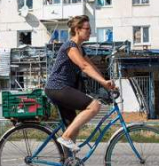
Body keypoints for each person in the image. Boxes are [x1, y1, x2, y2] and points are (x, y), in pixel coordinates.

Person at [45, 15, 115, 151]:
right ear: (77, 29)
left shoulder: (80, 48)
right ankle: (65, 138)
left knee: (73, 128)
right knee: (94, 106)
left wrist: (105, 82)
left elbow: (91, 66)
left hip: (62, 89)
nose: (90, 32)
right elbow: (84, 66)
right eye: (87, 29)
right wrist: (104, 83)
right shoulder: (70, 46)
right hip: (58, 88)